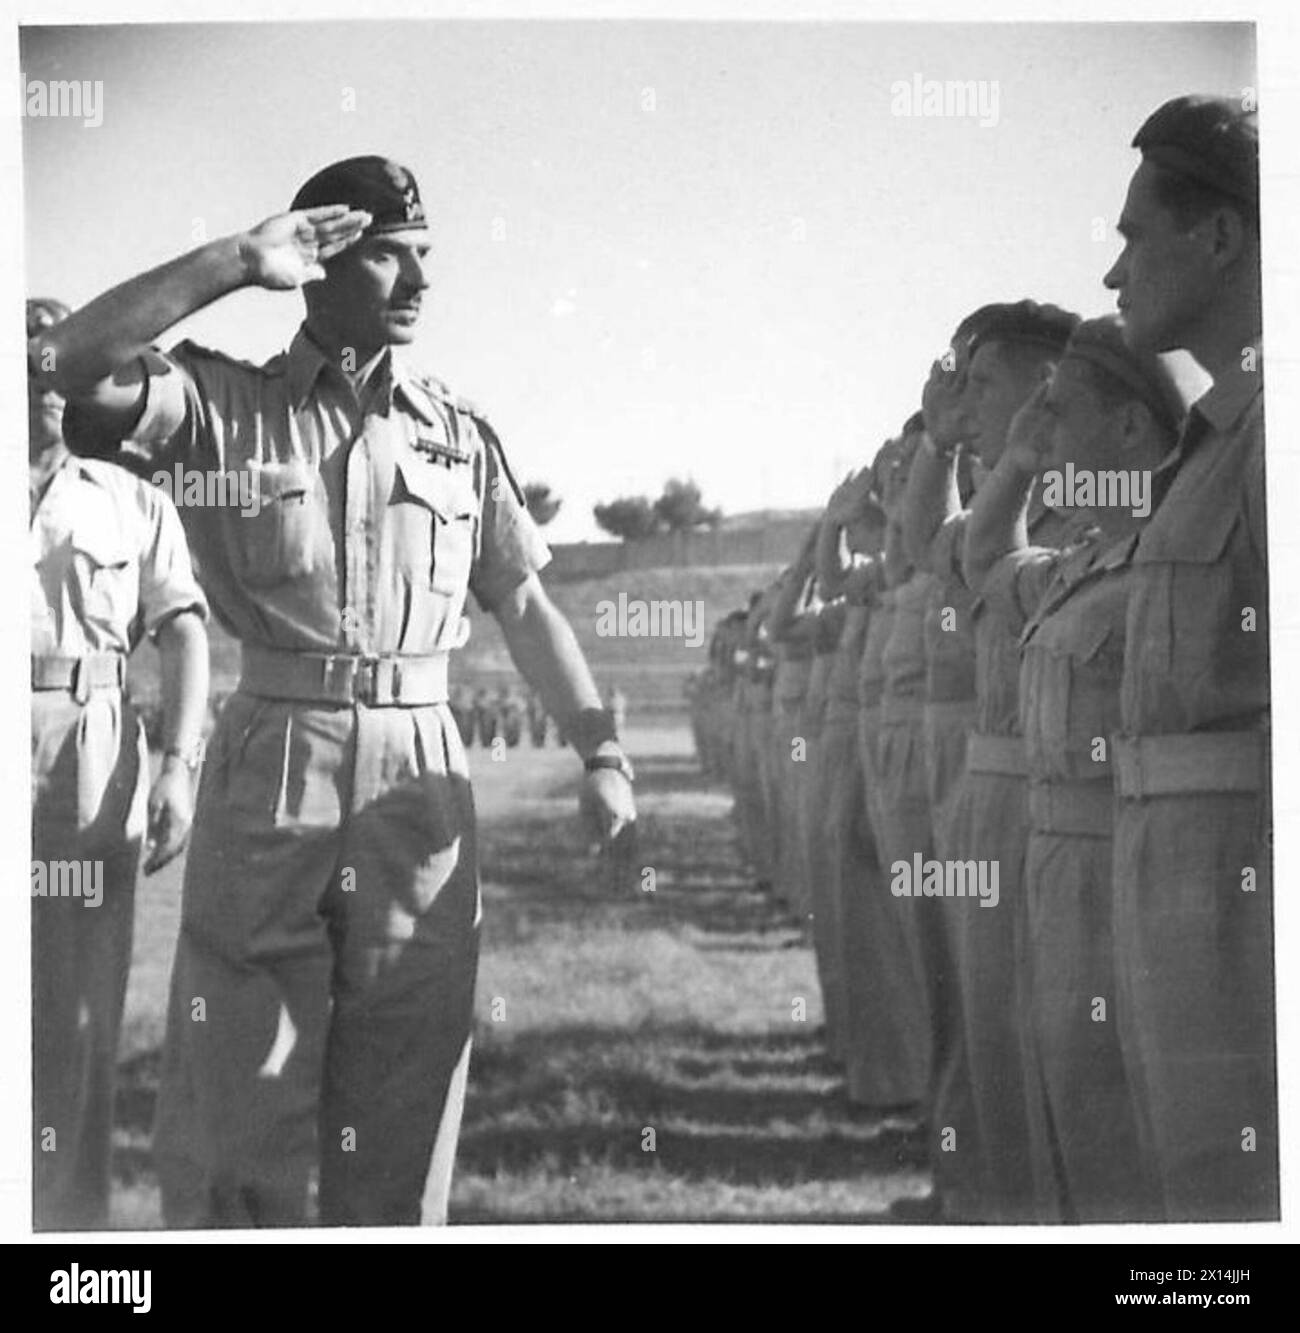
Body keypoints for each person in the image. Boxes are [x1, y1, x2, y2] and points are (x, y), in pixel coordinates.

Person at [36, 156, 636, 1227]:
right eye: (388, 255)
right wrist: (234, 260)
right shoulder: (222, 406)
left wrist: (600, 752)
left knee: (406, 1101)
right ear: (319, 265)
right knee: (236, 1105)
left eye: (424, 257)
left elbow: (528, 605)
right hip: (275, 763)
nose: (417, 280)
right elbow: (68, 363)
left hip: (420, 778)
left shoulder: (458, 435)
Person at [965, 315, 1183, 1220]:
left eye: (1062, 414)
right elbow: (985, 560)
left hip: (1120, 861)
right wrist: (1015, 462)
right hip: (1054, 856)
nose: (1043, 435)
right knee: (1064, 1097)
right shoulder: (1076, 561)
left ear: (1131, 430)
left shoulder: (1169, 555)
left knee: (1118, 1120)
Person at [1103, 95, 1273, 1221]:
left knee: (1235, 1194)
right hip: (1182, 862)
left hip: (1242, 885)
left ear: (1218, 237)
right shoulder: (1224, 432)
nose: (1113, 274)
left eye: (1132, 235)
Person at [29, 297, 210, 1229]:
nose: (46, 377)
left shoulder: (131, 498)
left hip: (85, 744)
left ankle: (64, 1237)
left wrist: (180, 764)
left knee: (76, 1017)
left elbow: (184, 634)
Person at [902, 301, 1080, 1220]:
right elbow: (926, 547)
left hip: (1057, 785)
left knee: (1049, 1053)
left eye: (982, 383)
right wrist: (938, 443)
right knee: (995, 1029)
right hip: (997, 778)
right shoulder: (1005, 493)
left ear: (1045, 381)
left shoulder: (1099, 484)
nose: (965, 401)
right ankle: (989, 1209)